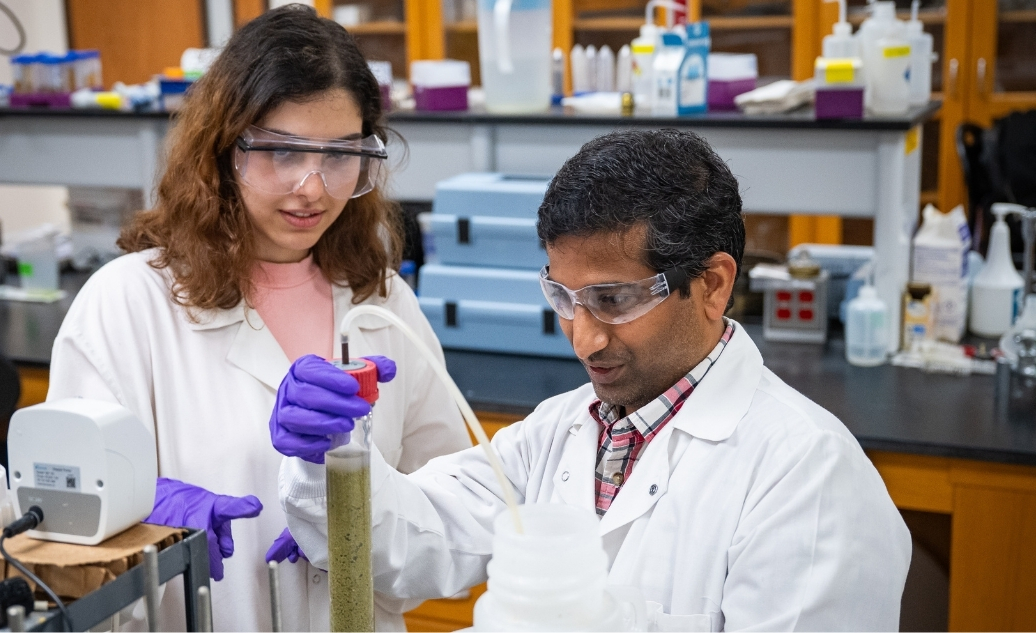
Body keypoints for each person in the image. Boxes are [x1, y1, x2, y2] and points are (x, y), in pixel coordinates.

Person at [274, 129, 913, 631]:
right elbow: (413, 538)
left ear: (713, 284)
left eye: (613, 299)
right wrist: (328, 455)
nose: (584, 338)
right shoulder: (560, 431)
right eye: (564, 296)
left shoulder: (806, 476)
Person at [46, 6, 470, 631]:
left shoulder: (382, 305)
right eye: (281, 152)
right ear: (223, 151)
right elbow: (62, 529)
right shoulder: (127, 304)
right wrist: (149, 521)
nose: (313, 187)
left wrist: (364, 528)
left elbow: (452, 510)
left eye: (340, 154)